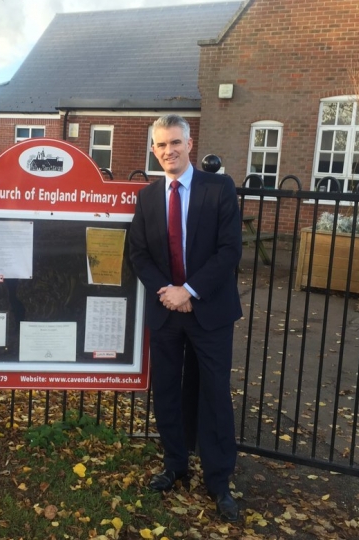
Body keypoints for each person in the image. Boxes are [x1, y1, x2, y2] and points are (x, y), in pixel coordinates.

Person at [128, 114, 242, 522]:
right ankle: (175, 465)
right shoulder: (147, 197)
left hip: (208, 310)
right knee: (168, 392)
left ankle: (218, 481)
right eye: (160, 145)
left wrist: (189, 291)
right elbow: (138, 253)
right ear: (154, 149)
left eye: (174, 142)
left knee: (213, 395)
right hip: (166, 312)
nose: (168, 151)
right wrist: (169, 294)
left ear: (190, 144)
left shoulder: (219, 189)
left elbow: (229, 250)